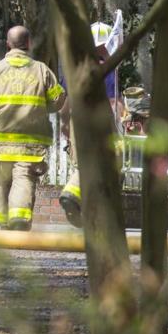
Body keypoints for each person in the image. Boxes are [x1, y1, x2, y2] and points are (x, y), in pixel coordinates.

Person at [0, 25, 67, 231]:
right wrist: (44, 107)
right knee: (23, 179)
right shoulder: (41, 70)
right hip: (30, 143)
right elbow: (59, 99)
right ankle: (19, 221)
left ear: (8, 44)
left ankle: (3, 222)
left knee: (1, 181)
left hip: (0, 141)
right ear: (28, 43)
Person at [59, 16, 122, 227]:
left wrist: (66, 131)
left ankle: (87, 213)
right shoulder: (107, 69)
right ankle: (71, 193)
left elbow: (65, 108)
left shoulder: (73, 70)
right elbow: (113, 104)